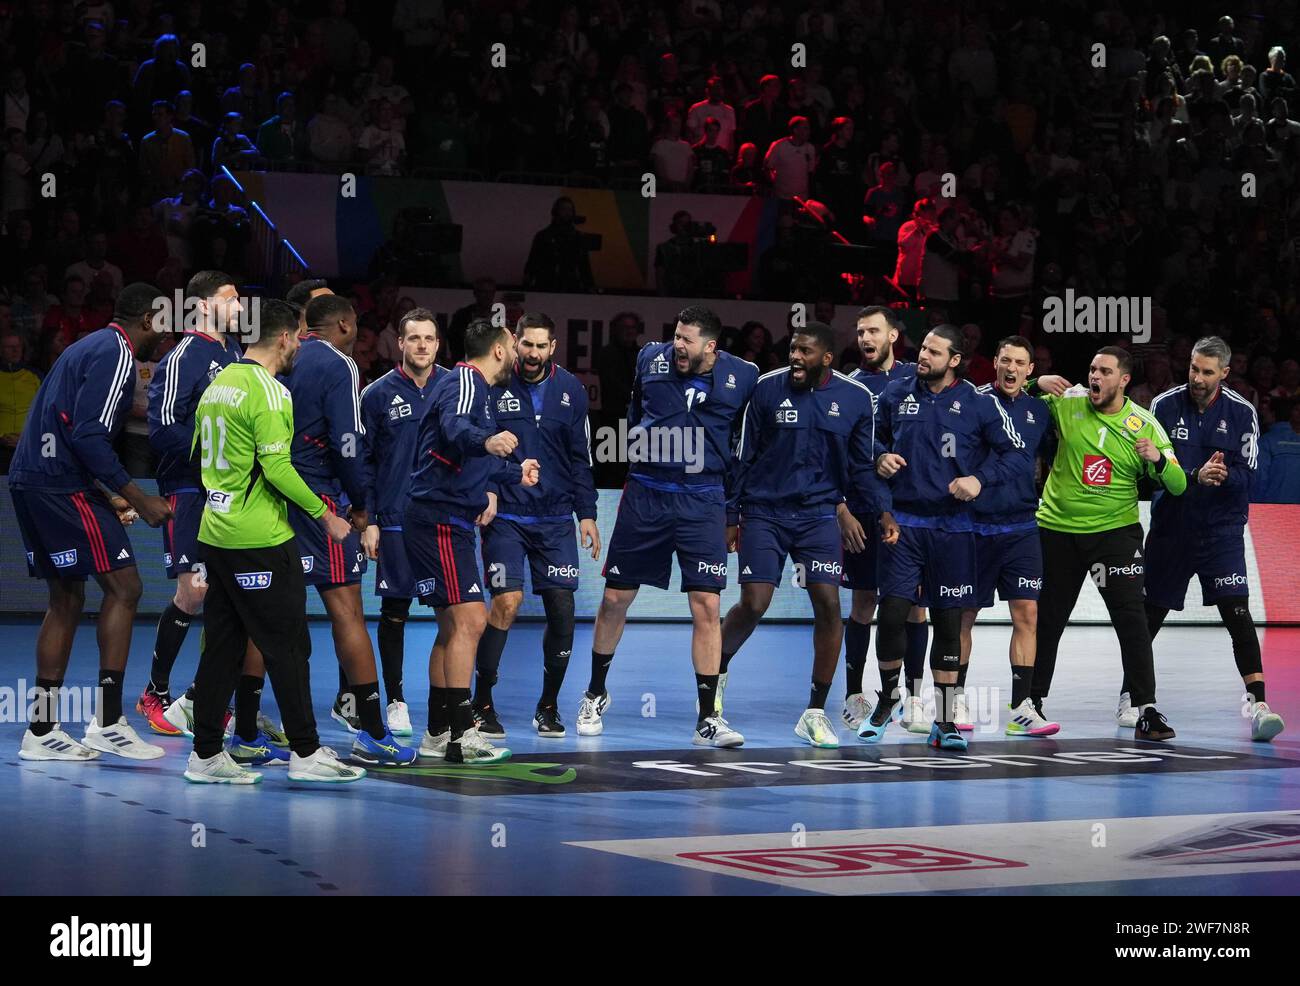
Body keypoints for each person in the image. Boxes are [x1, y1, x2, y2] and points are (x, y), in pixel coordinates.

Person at [183, 299, 364, 784]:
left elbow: (198, 456)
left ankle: (204, 756)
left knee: (222, 645)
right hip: (260, 537)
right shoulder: (271, 391)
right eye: (298, 339)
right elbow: (278, 467)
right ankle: (306, 754)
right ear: (285, 337)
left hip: (215, 534)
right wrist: (325, 515)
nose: (299, 348)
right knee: (289, 644)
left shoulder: (217, 384)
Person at [11, 283, 175, 762]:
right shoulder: (118, 354)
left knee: (66, 596)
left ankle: (41, 731)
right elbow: (87, 435)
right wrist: (136, 495)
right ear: (146, 320)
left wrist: (105, 494)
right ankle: (106, 722)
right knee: (125, 588)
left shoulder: (89, 345)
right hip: (59, 484)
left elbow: (68, 425)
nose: (162, 333)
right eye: (161, 322)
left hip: (35, 478)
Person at [582, 306, 758, 746]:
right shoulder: (649, 359)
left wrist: (732, 514)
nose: (678, 345)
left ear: (711, 347)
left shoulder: (745, 376)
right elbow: (636, 407)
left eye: (688, 340)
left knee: (708, 606)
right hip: (647, 492)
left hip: (703, 499)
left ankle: (707, 718)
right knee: (615, 599)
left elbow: (744, 445)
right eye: (676, 336)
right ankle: (594, 693)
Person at [721, 321, 886, 748]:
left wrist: (882, 510)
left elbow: (860, 468)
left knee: (829, 604)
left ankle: (814, 711)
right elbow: (742, 456)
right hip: (764, 511)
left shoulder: (855, 398)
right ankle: (713, 674)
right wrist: (731, 515)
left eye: (805, 352)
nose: (795, 357)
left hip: (818, 515)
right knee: (754, 603)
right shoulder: (765, 388)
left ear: (826, 358)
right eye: (793, 349)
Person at [864, 325, 1028, 750]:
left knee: (949, 622)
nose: (923, 356)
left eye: (934, 352)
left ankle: (945, 719)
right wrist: (879, 457)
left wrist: (979, 478)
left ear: (955, 360)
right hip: (903, 524)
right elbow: (868, 444)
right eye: (922, 349)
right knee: (895, 611)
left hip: (955, 530)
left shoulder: (979, 403)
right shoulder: (895, 395)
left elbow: (1017, 455)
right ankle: (887, 700)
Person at [1028, 348, 1186, 740]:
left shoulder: (1142, 424)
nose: (1095, 377)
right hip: (1058, 530)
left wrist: (1160, 461)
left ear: (1124, 380)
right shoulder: (1069, 402)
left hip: (1114, 534)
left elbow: (1179, 484)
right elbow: (1002, 394)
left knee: (1132, 620)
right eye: (1092, 369)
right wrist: (1036, 383)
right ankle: (1031, 703)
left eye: (1104, 371)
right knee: (1047, 621)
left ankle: (1146, 709)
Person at [286, 294, 416, 765]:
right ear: (344, 324)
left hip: (271, 499)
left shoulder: (282, 355)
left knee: (271, 619)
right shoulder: (339, 365)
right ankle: (371, 730)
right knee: (347, 614)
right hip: (320, 500)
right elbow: (346, 445)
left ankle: (242, 728)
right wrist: (361, 504)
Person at [405, 318, 540, 764]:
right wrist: (489, 439)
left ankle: (438, 732)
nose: (519, 356)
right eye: (514, 347)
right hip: (441, 520)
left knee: (451, 628)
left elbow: (461, 457)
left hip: (439, 516)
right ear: (500, 349)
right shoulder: (467, 379)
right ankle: (463, 732)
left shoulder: (466, 384)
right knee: (472, 622)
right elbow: (456, 430)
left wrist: (512, 471)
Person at [1145, 337, 1283, 741]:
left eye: (1207, 372)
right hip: (1172, 529)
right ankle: (1133, 699)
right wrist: (1192, 477)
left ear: (1224, 372)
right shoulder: (1164, 406)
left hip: (1220, 531)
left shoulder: (1242, 413)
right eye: (1193, 369)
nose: (1197, 379)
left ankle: (1258, 705)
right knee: (1148, 618)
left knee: (1238, 615)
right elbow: (1152, 470)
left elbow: (1250, 473)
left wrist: (1221, 477)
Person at [473, 313, 599, 738]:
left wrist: (588, 515)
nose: (532, 354)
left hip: (556, 519)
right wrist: (488, 489)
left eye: (541, 346)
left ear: (553, 347)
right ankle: (482, 703)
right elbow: (480, 446)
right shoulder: (495, 384)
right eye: (526, 344)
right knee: (506, 603)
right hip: (507, 515)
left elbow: (581, 459)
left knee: (563, 612)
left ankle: (548, 706)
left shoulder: (571, 391)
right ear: (515, 343)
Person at [142, 272, 253, 740]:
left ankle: (205, 699)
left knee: (228, 596)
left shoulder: (233, 353)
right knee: (195, 592)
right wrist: (215, 451)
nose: (241, 307)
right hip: (189, 488)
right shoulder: (183, 355)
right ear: (204, 305)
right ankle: (155, 692)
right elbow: (163, 426)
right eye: (232, 299)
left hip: (228, 491)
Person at [961, 336, 1059, 737]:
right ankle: (952, 701)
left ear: (1029, 369)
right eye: (1004, 360)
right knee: (963, 616)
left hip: (1021, 526)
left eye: (1020, 362)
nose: (1011, 368)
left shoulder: (1039, 411)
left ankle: (1022, 706)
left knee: (1028, 614)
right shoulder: (973, 402)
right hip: (974, 527)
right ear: (995, 363)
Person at [358, 307, 448, 737]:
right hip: (394, 520)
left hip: (443, 519)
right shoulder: (376, 394)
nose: (422, 346)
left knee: (451, 615)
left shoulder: (454, 387)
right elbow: (365, 463)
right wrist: (369, 520)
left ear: (438, 343)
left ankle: (446, 705)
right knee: (394, 613)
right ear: (400, 343)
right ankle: (395, 700)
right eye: (414, 338)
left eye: (429, 339)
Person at [840, 307, 929, 732]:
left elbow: (965, 394)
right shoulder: (850, 386)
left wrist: (1036, 384)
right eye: (859, 332)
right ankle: (854, 694)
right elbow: (840, 449)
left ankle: (913, 698)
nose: (864, 338)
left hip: (913, 511)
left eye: (873, 330)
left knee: (914, 608)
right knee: (862, 602)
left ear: (893, 335)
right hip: (864, 509)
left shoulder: (917, 376)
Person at [523, 196, 594, 293]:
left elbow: (584, 265)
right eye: (563, 209)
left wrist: (589, 286)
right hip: (546, 285)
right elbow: (533, 261)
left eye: (570, 210)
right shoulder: (543, 236)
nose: (567, 213)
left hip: (570, 287)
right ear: (555, 212)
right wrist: (527, 282)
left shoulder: (578, 238)